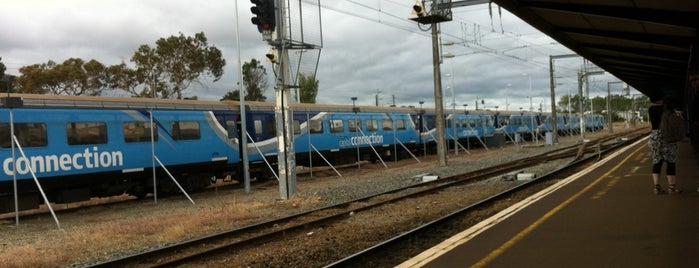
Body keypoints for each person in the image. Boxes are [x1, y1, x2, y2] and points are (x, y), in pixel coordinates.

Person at [648, 96, 680, 194]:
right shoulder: (668, 109)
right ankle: (672, 188)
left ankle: (656, 187)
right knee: (670, 162)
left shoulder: (651, 110)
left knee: (657, 162)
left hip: (654, 137)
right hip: (667, 137)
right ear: (660, 99)